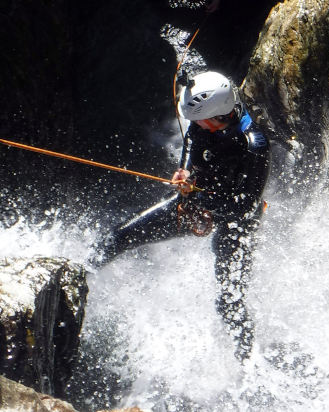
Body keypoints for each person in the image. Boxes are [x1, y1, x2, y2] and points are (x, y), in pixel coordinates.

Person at [96, 71, 269, 361]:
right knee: (119, 236)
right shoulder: (207, 120)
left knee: (230, 301)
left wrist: (201, 197)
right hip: (195, 204)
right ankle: (76, 271)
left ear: (217, 117)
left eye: (199, 120)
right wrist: (185, 170)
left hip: (236, 221)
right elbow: (192, 140)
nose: (194, 124)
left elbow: (244, 206)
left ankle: (249, 361)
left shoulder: (254, 144)